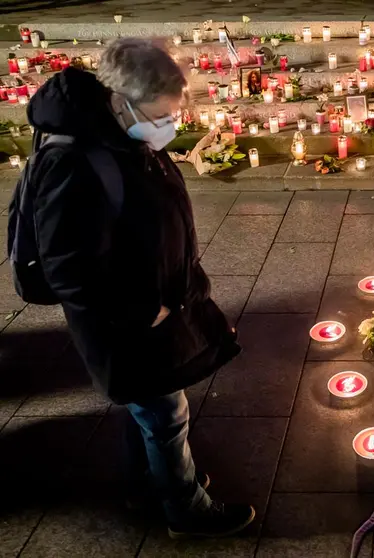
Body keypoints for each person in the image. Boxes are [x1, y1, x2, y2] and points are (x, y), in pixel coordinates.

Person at [24, 38, 255, 538]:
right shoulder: (71, 161)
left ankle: (149, 482)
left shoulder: (119, 137)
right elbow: (68, 267)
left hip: (154, 305)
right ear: (119, 100)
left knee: (148, 406)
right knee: (165, 411)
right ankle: (185, 510)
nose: (169, 125)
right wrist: (142, 310)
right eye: (161, 115)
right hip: (127, 321)